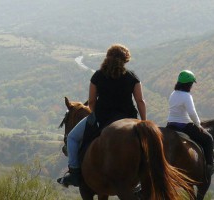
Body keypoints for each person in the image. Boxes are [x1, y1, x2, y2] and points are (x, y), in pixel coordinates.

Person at [58, 44, 147, 187]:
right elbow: (140, 101)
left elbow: (92, 101)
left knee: (72, 138)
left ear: (108, 57)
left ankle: (74, 173)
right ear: (126, 60)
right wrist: (143, 121)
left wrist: (94, 115)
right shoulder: (132, 77)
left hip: (103, 118)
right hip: (129, 118)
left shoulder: (98, 76)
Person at [166, 70, 214, 173]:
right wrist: (198, 124)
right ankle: (210, 164)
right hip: (184, 125)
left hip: (170, 125)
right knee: (208, 138)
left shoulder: (173, 93)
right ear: (189, 84)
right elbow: (192, 112)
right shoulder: (187, 96)